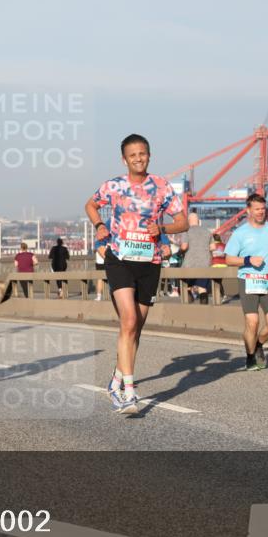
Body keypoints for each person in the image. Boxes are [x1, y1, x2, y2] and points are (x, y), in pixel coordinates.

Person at [85, 133, 187, 414]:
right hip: (119, 259)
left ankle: (117, 378)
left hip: (150, 262)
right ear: (124, 159)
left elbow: (182, 222)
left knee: (135, 327)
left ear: (149, 155)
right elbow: (91, 204)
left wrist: (163, 229)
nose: (138, 158)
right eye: (133, 155)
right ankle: (129, 392)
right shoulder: (114, 186)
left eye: (142, 153)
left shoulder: (162, 187)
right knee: (128, 320)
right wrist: (99, 226)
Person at [224, 193, 268, 370]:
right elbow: (228, 259)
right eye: (257, 209)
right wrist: (247, 260)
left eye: (263, 209)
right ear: (249, 210)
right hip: (248, 280)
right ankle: (250, 356)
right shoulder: (240, 233)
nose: (261, 212)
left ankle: (257, 344)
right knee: (253, 322)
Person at [180, 211, 211, 304]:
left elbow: (184, 247)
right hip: (205, 263)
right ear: (199, 221)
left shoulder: (186, 231)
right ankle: (204, 310)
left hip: (189, 264)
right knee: (202, 288)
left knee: (187, 286)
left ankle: (189, 308)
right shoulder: (207, 231)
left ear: (188, 221)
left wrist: (180, 252)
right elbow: (213, 247)